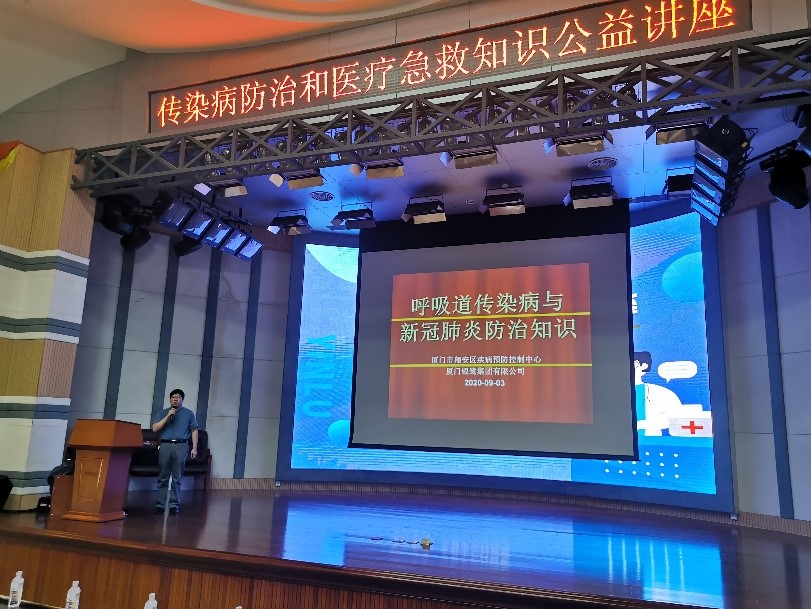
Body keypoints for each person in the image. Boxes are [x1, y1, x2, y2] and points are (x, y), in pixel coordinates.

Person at [151, 388, 198, 514]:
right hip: (165, 445)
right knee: (163, 477)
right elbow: (155, 429)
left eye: (178, 397)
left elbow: (194, 430)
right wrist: (168, 416)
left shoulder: (189, 413)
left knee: (177, 477)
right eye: (173, 397)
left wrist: (194, 447)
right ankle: (160, 505)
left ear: (182, 400)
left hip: (181, 445)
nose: (175, 399)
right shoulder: (163, 413)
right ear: (170, 399)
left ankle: (174, 504)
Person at [633, 351, 683, 436]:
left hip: (650, 441)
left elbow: (675, 416)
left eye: (634, 364)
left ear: (644, 366)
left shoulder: (661, 393)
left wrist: (641, 424)